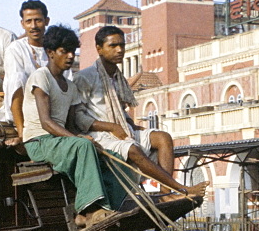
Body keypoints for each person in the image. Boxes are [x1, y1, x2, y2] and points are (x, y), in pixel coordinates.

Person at [74, 26, 206, 198]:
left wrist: (131, 125)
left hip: (121, 130)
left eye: (122, 45)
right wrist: (111, 127)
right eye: (113, 46)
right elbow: (78, 116)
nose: (119, 50)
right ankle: (180, 188)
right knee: (133, 149)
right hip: (99, 135)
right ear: (99, 48)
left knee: (163, 138)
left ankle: (165, 193)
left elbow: (120, 110)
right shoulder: (85, 77)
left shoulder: (117, 77)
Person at [22, 25, 125, 229]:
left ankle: (112, 207)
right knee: (83, 145)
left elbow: (71, 125)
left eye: (73, 51)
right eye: (64, 51)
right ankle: (86, 211)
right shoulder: (41, 76)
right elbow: (47, 123)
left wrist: (87, 139)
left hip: (60, 141)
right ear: (50, 53)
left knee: (114, 157)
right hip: (38, 141)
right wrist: (78, 139)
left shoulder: (70, 86)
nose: (70, 56)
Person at [0, 0, 52, 140]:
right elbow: (15, 85)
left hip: (52, 109)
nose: (33, 26)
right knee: (19, 78)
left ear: (47, 21)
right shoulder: (15, 49)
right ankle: (21, 131)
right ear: (22, 24)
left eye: (38, 20)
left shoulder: (54, 48)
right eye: (29, 21)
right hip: (25, 110)